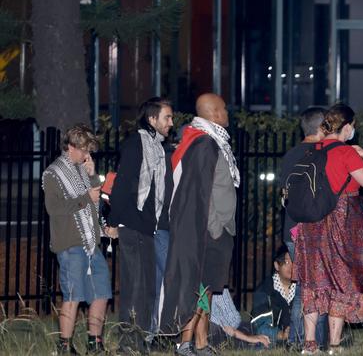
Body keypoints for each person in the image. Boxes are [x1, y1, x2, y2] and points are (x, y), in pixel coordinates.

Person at [292, 103, 363, 354]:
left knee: (313, 283)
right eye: (353, 126)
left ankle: (309, 344)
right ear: (347, 127)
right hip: (340, 223)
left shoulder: (312, 150)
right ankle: (335, 345)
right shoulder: (347, 153)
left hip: (311, 224)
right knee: (340, 282)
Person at [160, 93, 238, 356]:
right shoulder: (205, 144)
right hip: (208, 232)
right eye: (224, 108)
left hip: (216, 230)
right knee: (198, 289)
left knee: (206, 290)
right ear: (214, 113)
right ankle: (184, 343)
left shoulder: (210, 141)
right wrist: (215, 227)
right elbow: (200, 195)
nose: (227, 112)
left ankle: (201, 343)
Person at [106, 97, 174, 352]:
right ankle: (129, 343)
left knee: (147, 287)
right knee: (136, 286)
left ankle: (142, 339)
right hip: (132, 224)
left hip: (147, 225)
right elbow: (122, 186)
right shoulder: (136, 144)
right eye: (167, 117)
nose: (171, 123)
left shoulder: (156, 146)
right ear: (152, 119)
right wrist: (114, 222)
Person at [43, 124, 116, 354]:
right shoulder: (53, 173)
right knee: (73, 295)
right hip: (70, 244)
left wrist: (93, 176)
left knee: (102, 292)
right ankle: (64, 345)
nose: (88, 155)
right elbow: (54, 209)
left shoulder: (83, 170)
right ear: (71, 146)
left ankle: (95, 342)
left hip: (91, 243)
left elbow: (95, 205)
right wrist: (86, 196)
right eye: (84, 150)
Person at [279, 106, 329, 348]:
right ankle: (310, 341)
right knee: (317, 287)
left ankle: (299, 339)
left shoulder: (291, 155)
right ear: (322, 128)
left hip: (291, 227)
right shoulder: (322, 153)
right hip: (315, 228)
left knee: (304, 285)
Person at [251, 245, 296, 347]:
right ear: (277, 265)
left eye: (294, 262)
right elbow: (258, 325)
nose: (291, 266)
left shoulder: (302, 291)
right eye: (287, 262)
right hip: (272, 343)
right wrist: (281, 335)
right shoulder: (265, 291)